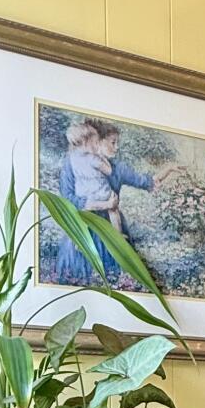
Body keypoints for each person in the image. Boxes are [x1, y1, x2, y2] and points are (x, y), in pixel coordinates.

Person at [54, 116, 161, 287]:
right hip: (84, 223)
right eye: (112, 142)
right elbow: (67, 197)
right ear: (98, 141)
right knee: (78, 276)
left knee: (117, 277)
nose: (116, 148)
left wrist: (169, 170)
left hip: (112, 226)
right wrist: (101, 205)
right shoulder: (72, 162)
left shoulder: (117, 168)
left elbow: (146, 181)